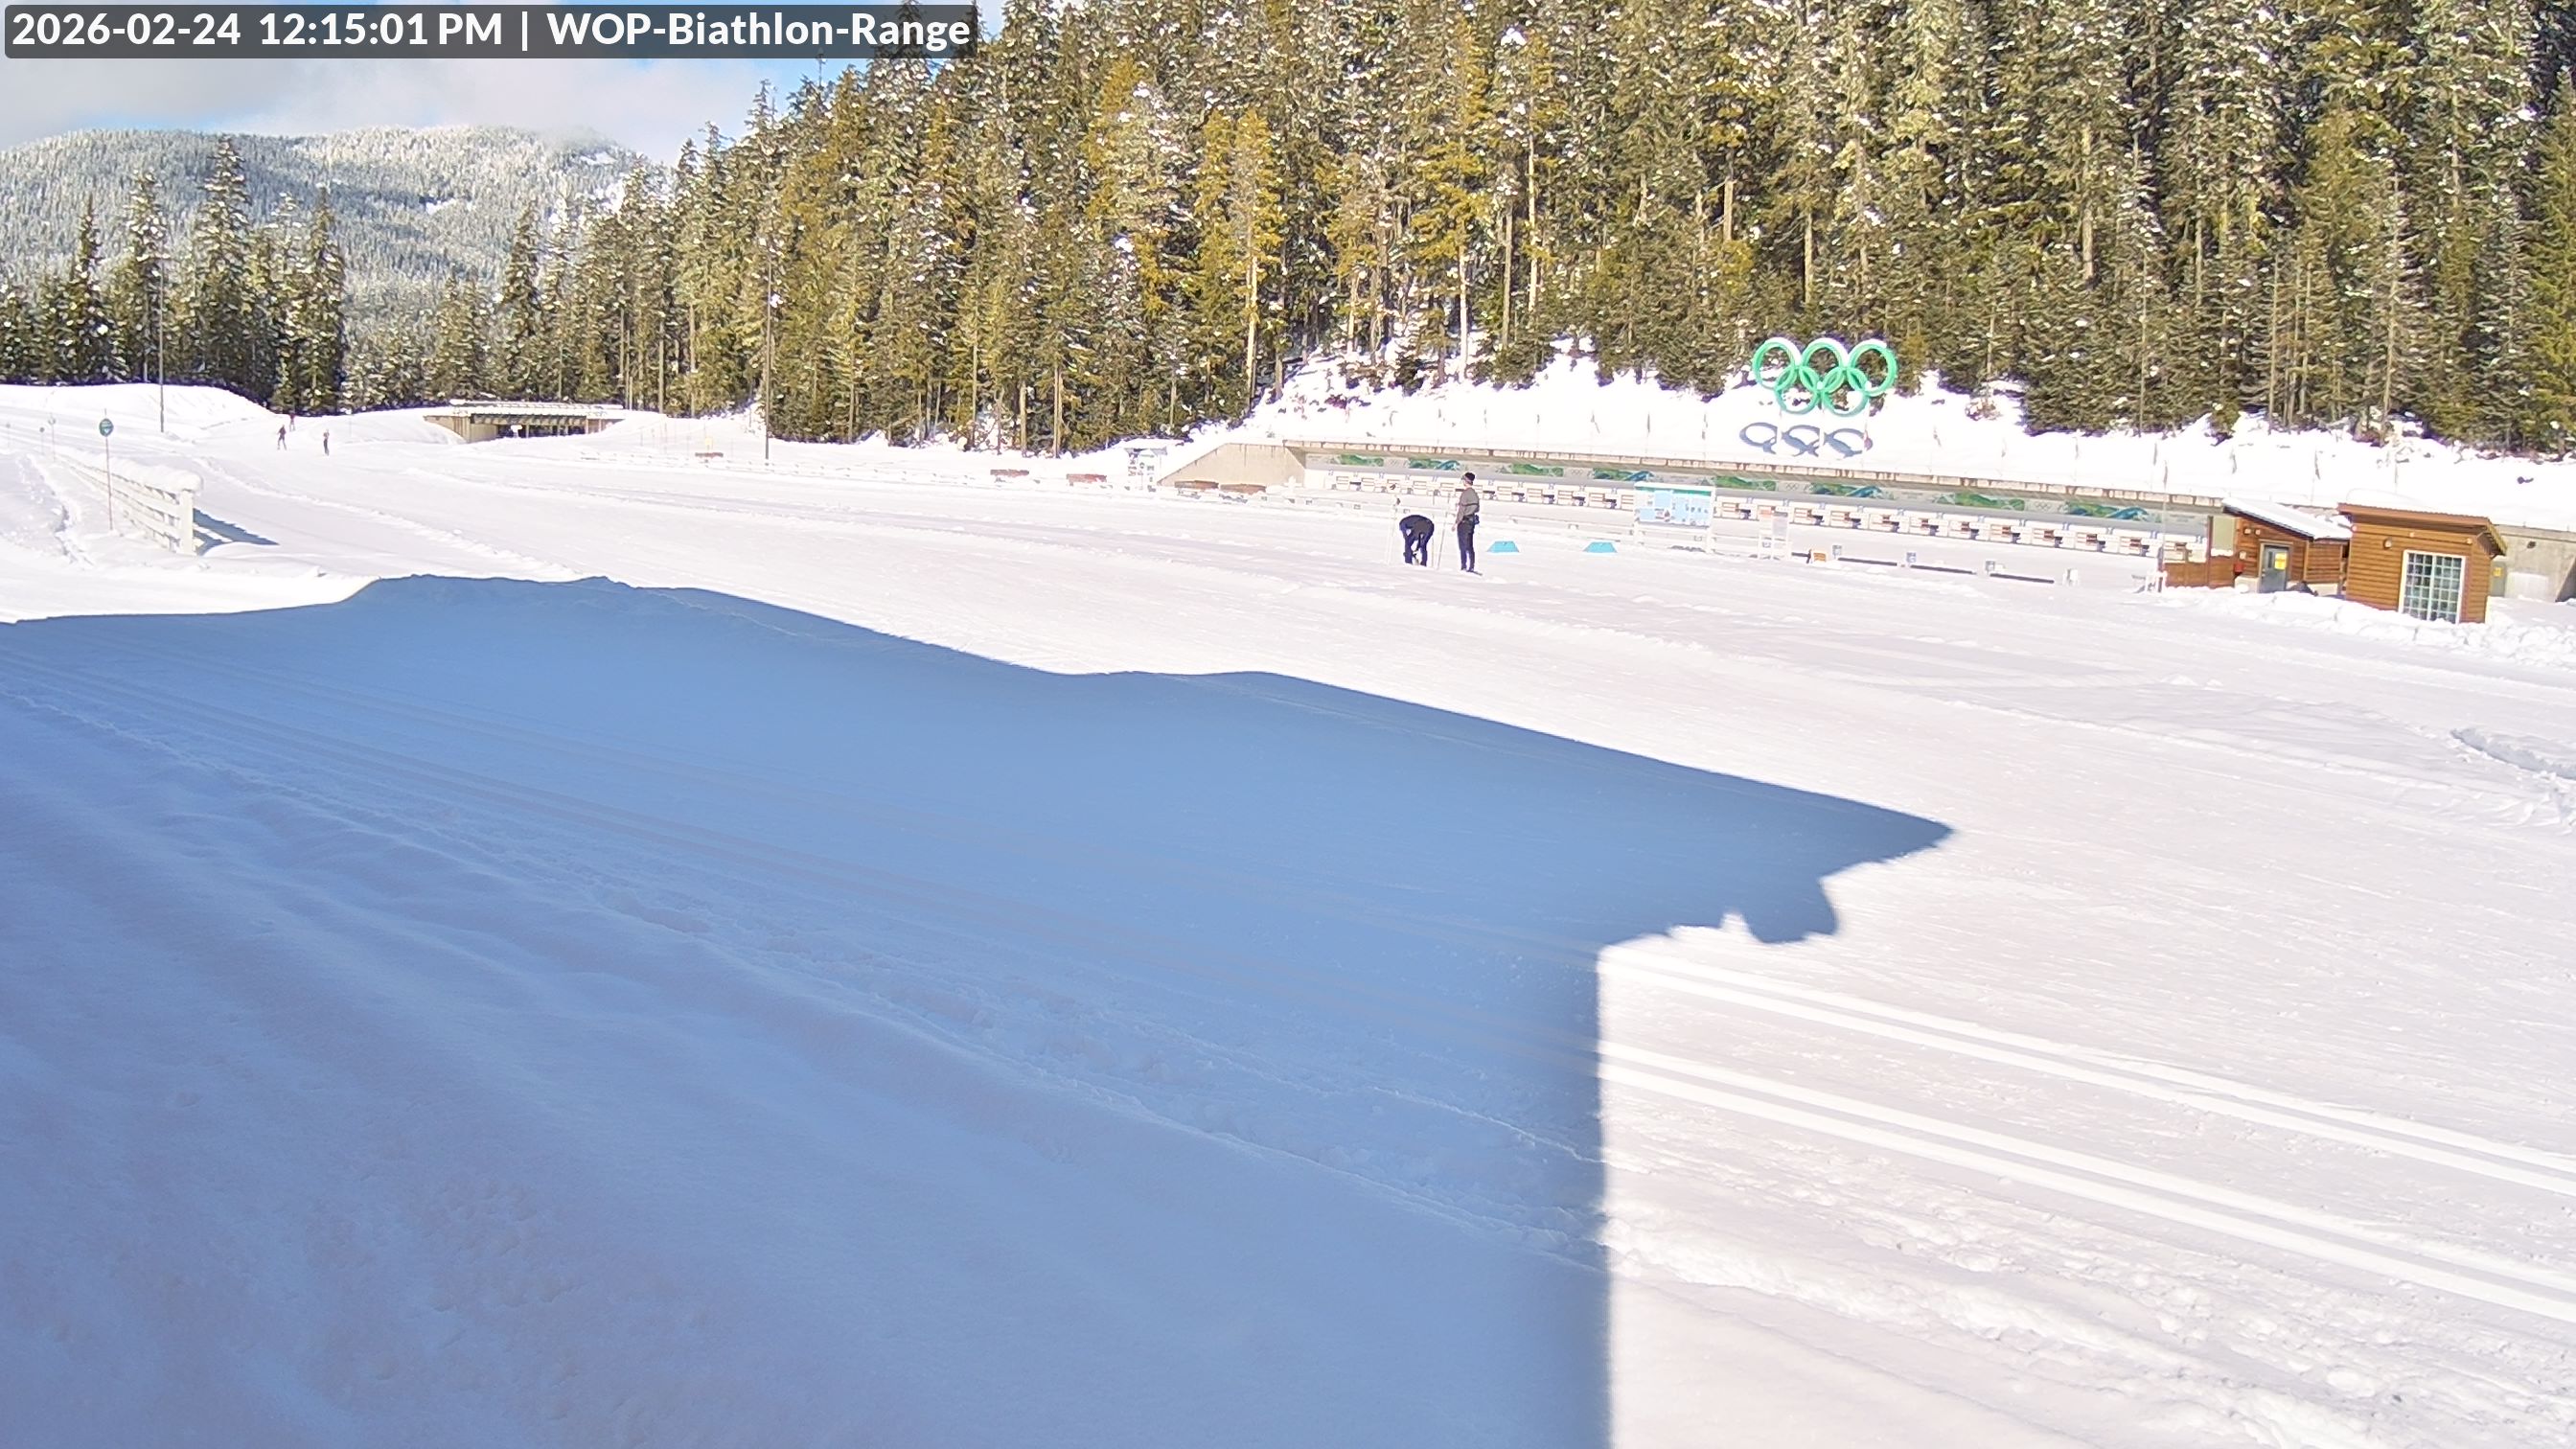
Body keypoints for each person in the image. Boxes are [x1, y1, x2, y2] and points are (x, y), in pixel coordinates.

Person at [1454, 472, 1482, 572]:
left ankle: (1463, 565)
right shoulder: (1475, 494)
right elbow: (1477, 508)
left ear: (1466, 481)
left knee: (1462, 545)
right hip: (1472, 521)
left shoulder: (1465, 494)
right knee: (1470, 544)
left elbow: (1461, 510)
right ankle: (1472, 566)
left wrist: (1456, 522)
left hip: (1464, 521)